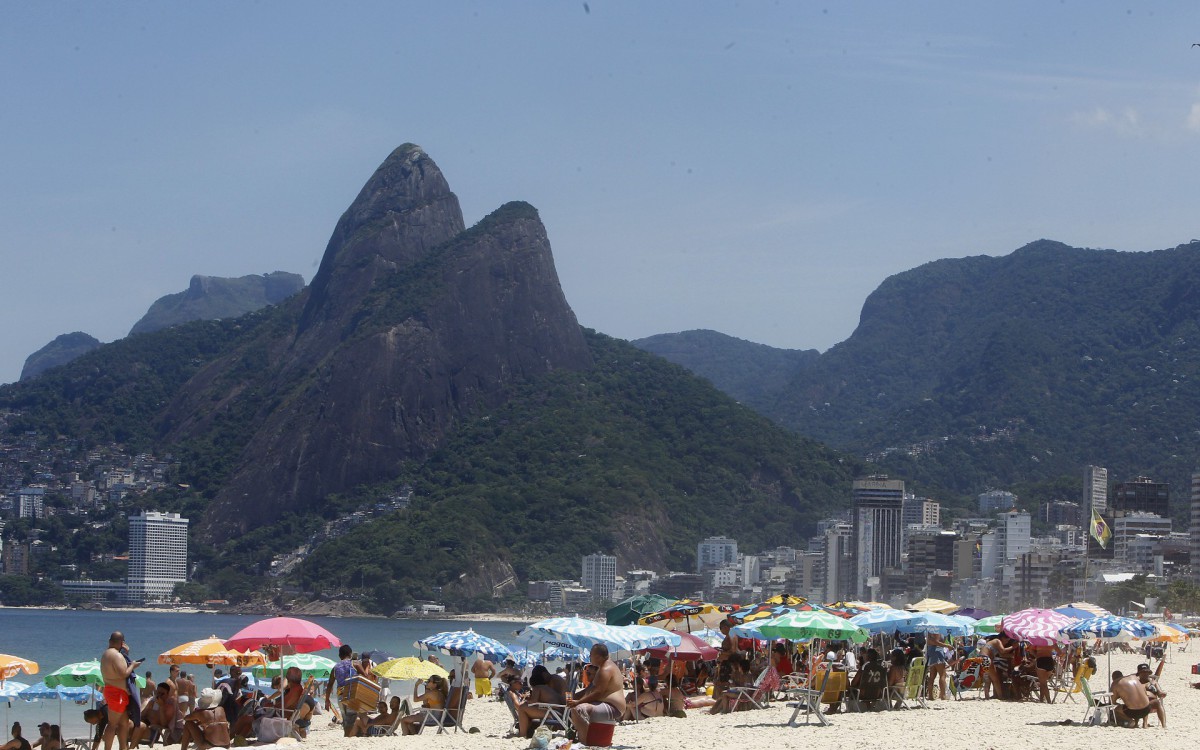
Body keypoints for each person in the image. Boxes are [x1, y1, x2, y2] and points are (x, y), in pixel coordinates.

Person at [567, 644, 626, 741]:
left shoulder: (605, 669)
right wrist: (574, 697)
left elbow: (598, 693)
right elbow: (589, 690)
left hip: (614, 708)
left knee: (579, 709)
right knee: (577, 708)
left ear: (598, 657)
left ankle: (584, 741)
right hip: (607, 705)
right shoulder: (603, 667)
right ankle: (585, 738)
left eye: (591, 655)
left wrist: (578, 702)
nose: (589, 657)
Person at [101, 632, 143, 750]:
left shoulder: (106, 654)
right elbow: (123, 673)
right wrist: (133, 665)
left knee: (124, 723)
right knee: (112, 724)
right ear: (121, 642)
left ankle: (123, 747)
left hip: (112, 690)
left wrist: (125, 654)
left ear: (110, 641)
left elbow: (116, 669)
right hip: (117, 693)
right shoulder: (116, 655)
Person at [510, 666, 566, 738]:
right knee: (526, 709)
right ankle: (527, 731)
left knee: (522, 708)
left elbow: (534, 702)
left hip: (553, 714)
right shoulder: (546, 688)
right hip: (558, 713)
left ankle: (522, 734)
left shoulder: (537, 688)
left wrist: (527, 700)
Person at [130, 682, 179, 747]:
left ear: (167, 694)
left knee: (140, 726)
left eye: (162, 694)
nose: (159, 695)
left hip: (154, 732)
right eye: (157, 692)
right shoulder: (152, 701)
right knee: (128, 724)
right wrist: (148, 708)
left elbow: (164, 724)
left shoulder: (169, 707)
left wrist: (161, 707)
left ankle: (131, 748)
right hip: (143, 726)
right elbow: (141, 716)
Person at [324, 644, 358, 737]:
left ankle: (346, 736)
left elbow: (330, 685)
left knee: (345, 719)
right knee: (352, 719)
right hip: (352, 695)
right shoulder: (355, 664)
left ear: (339, 656)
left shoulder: (335, 668)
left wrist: (327, 700)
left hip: (340, 696)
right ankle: (348, 737)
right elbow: (365, 676)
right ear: (350, 654)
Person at [1136, 661, 1167, 728]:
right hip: (1138, 703)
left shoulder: (1153, 682)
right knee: (1144, 701)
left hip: (1152, 702)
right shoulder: (1136, 682)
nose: (1146, 674)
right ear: (1139, 674)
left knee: (1157, 702)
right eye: (1143, 672)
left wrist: (1162, 693)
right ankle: (1145, 723)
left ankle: (1164, 725)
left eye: (1147, 672)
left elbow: (1159, 692)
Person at [924, 632, 949, 700]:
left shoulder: (930, 630)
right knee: (942, 675)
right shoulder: (938, 630)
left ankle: (930, 696)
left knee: (932, 676)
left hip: (931, 652)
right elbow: (936, 642)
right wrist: (947, 646)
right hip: (938, 652)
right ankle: (943, 696)